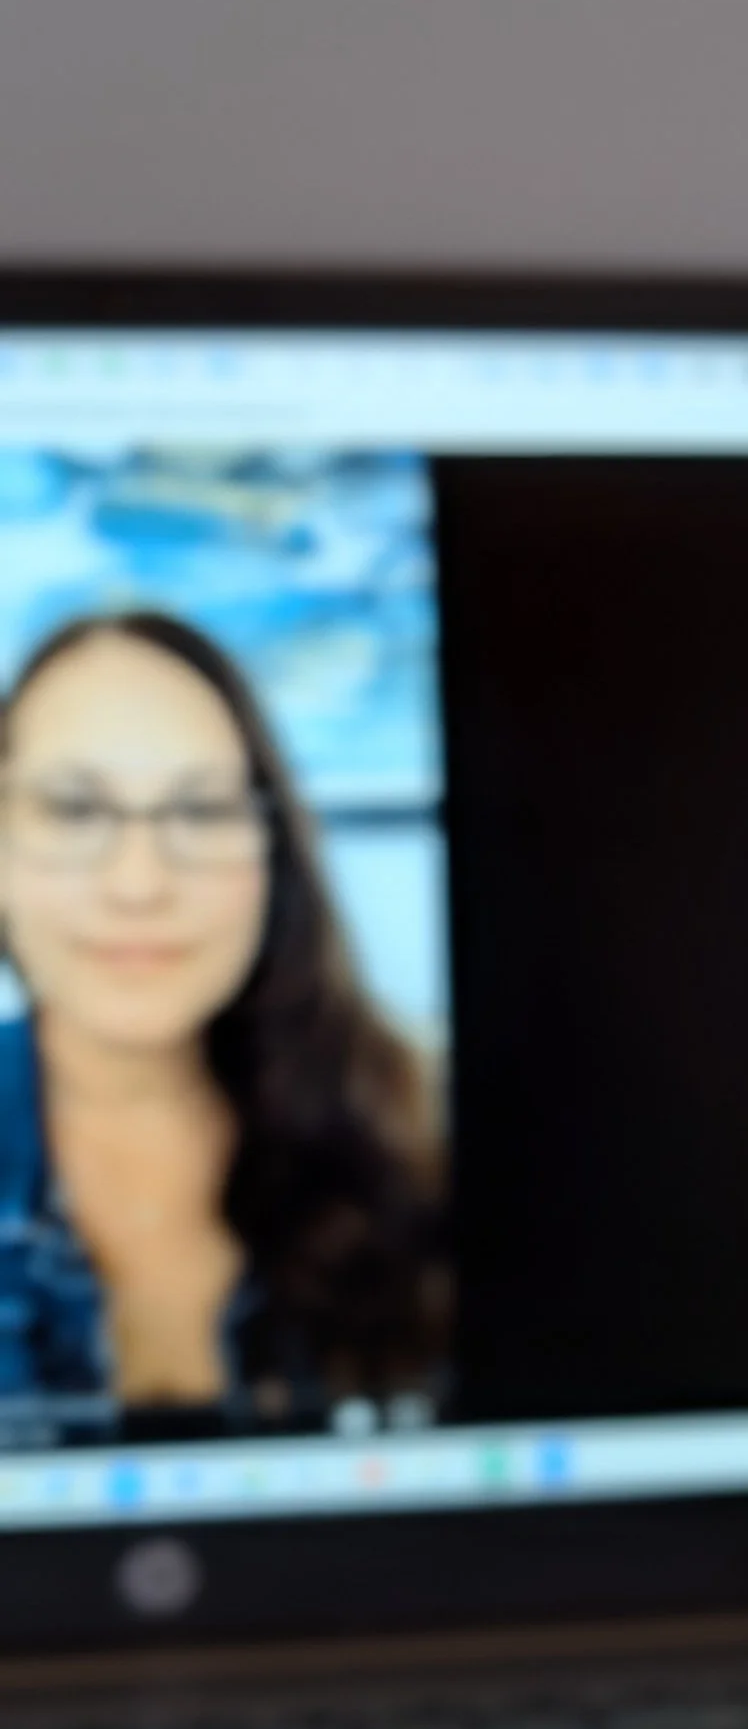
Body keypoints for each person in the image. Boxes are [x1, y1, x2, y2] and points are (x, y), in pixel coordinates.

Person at [0, 609, 446, 1432]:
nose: (139, 884)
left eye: (201, 812)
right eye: (74, 811)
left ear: (271, 848)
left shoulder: (420, 1131)